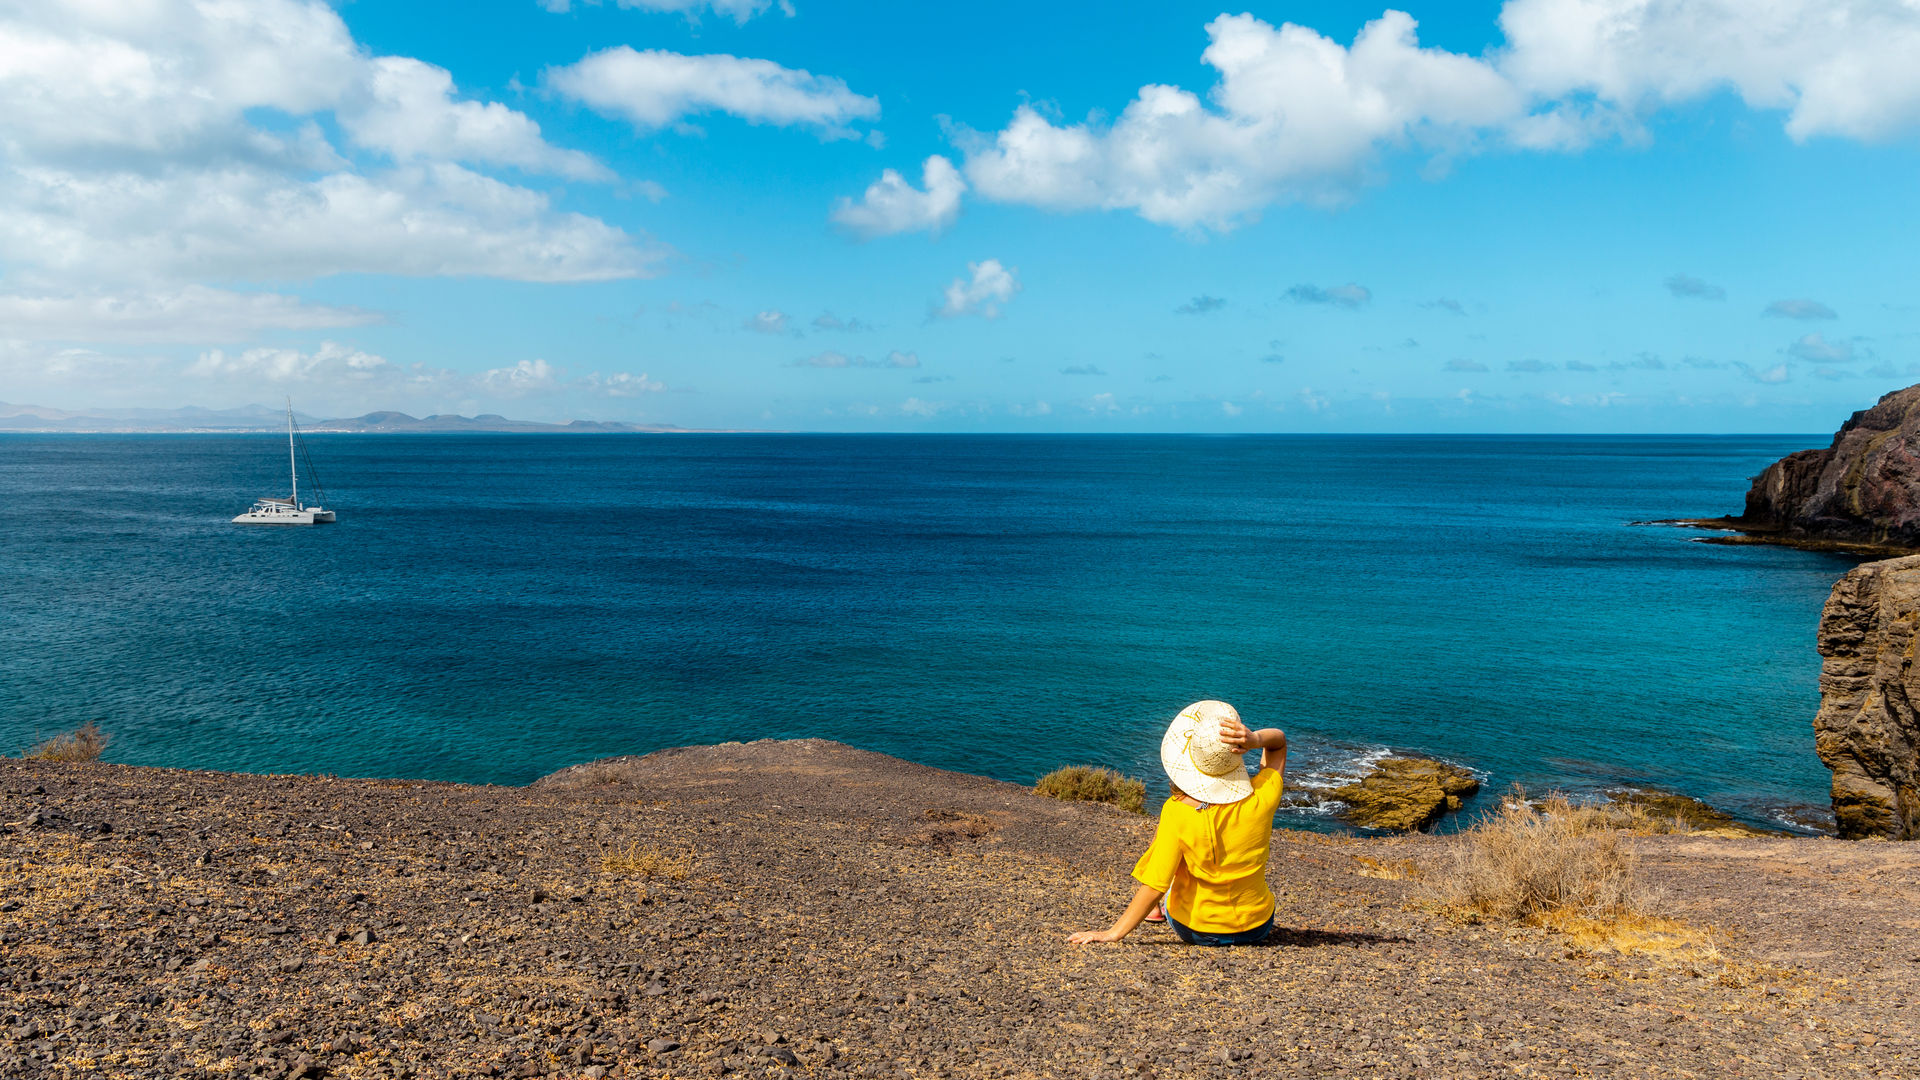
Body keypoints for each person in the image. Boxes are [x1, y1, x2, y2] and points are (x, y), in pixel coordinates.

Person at [1068, 700, 1287, 947]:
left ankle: (1154, 911)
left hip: (1196, 930)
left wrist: (1113, 933)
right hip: (1257, 927)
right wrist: (1256, 739)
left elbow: (1155, 885)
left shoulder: (1176, 811)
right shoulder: (1263, 796)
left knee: (1174, 847)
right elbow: (1278, 743)